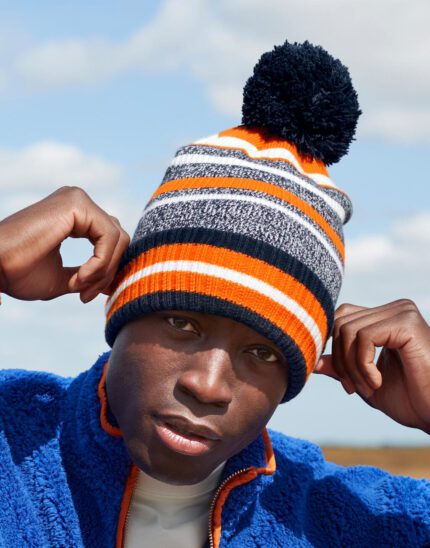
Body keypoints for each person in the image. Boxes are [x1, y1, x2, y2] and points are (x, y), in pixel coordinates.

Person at [0, 40, 429, 548]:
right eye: (183, 324)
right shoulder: (14, 441)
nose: (207, 386)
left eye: (262, 352)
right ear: (120, 308)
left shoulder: (343, 518)